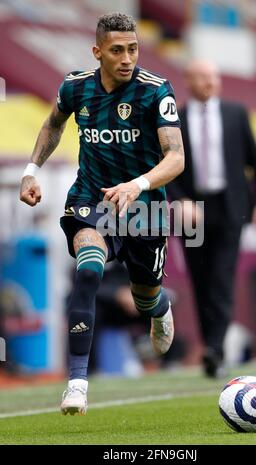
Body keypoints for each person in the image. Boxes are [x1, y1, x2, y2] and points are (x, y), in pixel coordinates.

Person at [19, 13, 184, 415]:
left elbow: (176, 157)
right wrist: (30, 172)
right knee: (89, 270)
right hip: (93, 198)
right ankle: (76, 383)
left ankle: (159, 310)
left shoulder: (155, 90)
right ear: (98, 52)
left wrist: (138, 184)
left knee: (144, 298)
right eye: (117, 50)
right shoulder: (76, 88)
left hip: (143, 208)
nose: (127, 58)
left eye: (133, 49)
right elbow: (52, 125)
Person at [167, 60, 256, 378]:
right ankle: (210, 344)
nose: (208, 82)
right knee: (201, 279)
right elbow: (164, 166)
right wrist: (180, 200)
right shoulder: (175, 120)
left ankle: (215, 349)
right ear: (188, 80)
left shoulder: (235, 113)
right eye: (201, 77)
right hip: (191, 209)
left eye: (212, 76)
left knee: (223, 277)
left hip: (230, 207)